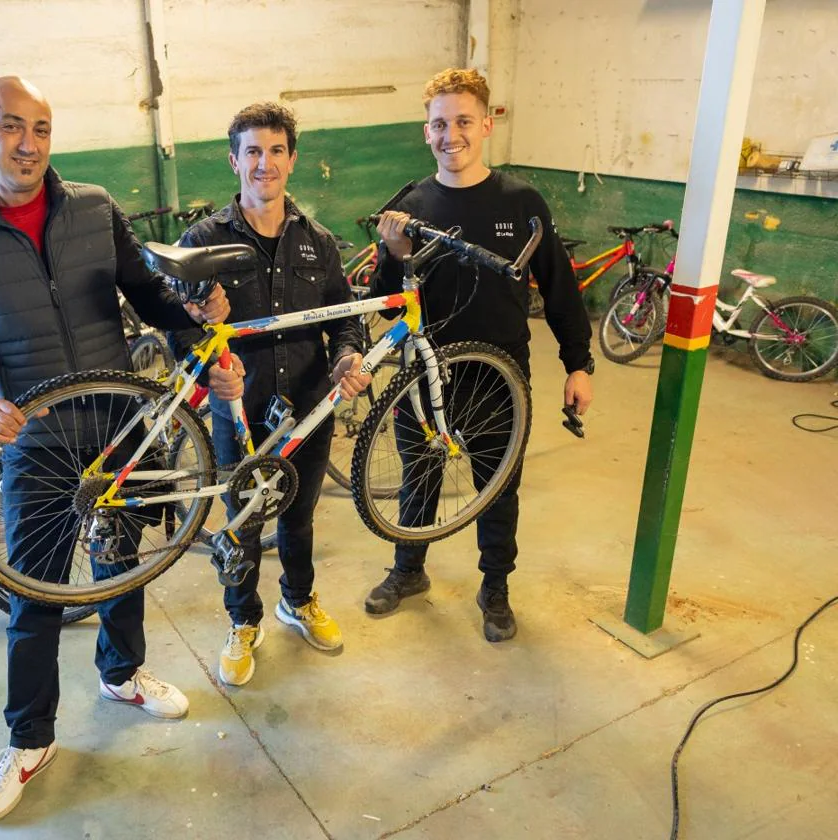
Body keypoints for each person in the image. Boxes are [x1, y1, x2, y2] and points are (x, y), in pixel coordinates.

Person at [0, 76, 240, 822]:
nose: (27, 144)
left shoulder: (95, 209)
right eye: (10, 128)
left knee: (121, 564)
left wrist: (196, 318)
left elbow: (149, 297)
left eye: (41, 129)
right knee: (37, 595)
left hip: (121, 427)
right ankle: (30, 739)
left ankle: (123, 673)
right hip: (39, 444)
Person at [365, 68, 594, 642]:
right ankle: (408, 570)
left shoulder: (521, 202)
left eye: (464, 121)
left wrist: (579, 364)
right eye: (439, 124)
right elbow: (387, 307)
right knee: (420, 476)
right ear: (426, 132)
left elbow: (560, 288)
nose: (452, 134)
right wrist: (395, 254)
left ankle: (495, 587)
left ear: (486, 124)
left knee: (499, 484)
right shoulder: (409, 205)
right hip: (424, 373)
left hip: (501, 376)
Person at [171, 102, 371, 687]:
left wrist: (347, 357)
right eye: (253, 152)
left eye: (276, 151)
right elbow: (177, 324)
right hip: (242, 410)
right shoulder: (202, 240)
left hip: (309, 408)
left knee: (299, 516)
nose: (265, 164)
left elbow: (347, 320)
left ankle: (298, 599)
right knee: (243, 522)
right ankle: (243, 620)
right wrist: (206, 369)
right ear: (234, 160)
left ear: (292, 159)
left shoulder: (319, 242)